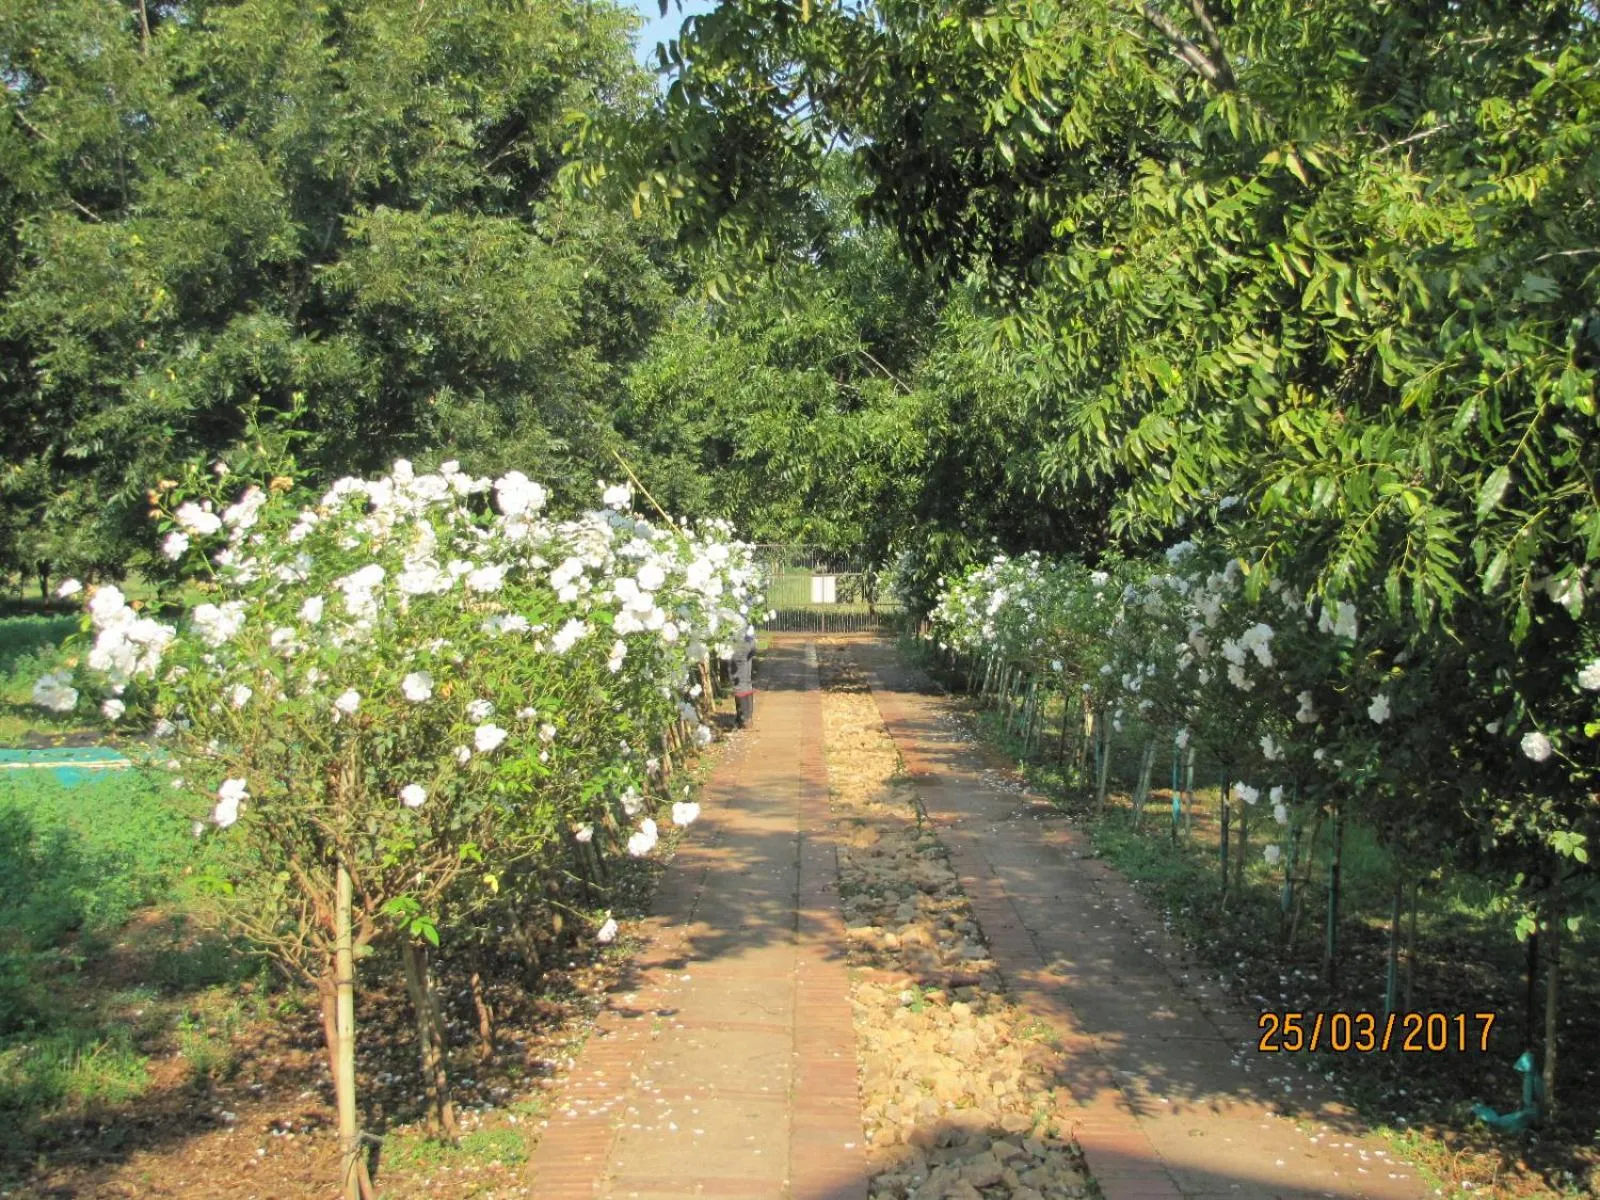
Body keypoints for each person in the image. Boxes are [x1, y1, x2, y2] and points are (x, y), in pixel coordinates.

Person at [731, 627, 756, 729]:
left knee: (739, 683)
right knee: (746, 681)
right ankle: (747, 717)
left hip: (738, 645)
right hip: (750, 643)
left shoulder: (731, 614)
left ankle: (744, 718)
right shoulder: (745, 615)